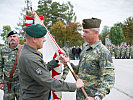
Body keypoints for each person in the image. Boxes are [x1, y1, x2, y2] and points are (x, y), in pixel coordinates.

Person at [18, 24, 84, 100]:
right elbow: (48, 81)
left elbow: (42, 70)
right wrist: (74, 85)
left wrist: (56, 60)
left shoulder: (29, 53)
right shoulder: (30, 57)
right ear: (34, 39)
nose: (44, 40)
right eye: (42, 37)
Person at [62, 18, 115, 100]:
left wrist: (96, 97)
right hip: (80, 95)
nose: (83, 35)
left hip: (91, 96)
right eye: (83, 31)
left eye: (86, 32)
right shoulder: (85, 49)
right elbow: (79, 71)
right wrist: (69, 64)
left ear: (96, 32)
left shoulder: (103, 52)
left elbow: (109, 78)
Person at [0, 31, 21, 100]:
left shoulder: (23, 49)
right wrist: (1, 82)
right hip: (8, 84)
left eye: (14, 36)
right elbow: (0, 66)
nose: (12, 38)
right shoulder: (2, 50)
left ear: (18, 38)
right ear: (8, 39)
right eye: (10, 37)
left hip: (21, 83)